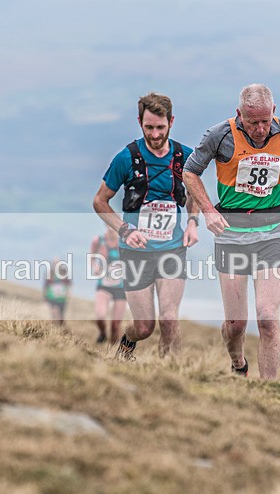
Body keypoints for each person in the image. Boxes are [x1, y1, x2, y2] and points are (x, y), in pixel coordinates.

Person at [182, 84, 280, 379]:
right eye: (252, 122)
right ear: (239, 114)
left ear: (274, 111)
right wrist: (207, 210)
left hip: (271, 233)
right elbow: (190, 172)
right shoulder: (219, 135)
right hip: (231, 234)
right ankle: (238, 364)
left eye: (265, 121)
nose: (259, 129)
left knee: (267, 318)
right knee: (236, 325)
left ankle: (268, 391)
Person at [92, 92, 199, 359]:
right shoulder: (126, 158)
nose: (155, 134)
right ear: (139, 122)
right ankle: (124, 349)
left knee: (169, 318)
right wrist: (124, 229)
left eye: (160, 127)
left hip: (172, 248)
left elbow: (195, 194)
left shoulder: (185, 157)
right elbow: (100, 201)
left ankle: (169, 373)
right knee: (144, 327)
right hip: (135, 252)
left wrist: (192, 223)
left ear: (171, 122)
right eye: (148, 127)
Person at [89, 225, 127, 344]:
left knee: (115, 325)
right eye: (108, 224)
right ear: (105, 225)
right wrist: (95, 266)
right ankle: (102, 333)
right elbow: (92, 256)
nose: (111, 228)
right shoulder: (99, 240)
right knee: (100, 316)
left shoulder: (125, 242)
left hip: (121, 287)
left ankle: (112, 350)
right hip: (104, 284)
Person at [43, 257, 72, 327]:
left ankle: (61, 328)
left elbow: (69, 284)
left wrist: (68, 293)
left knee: (61, 316)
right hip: (52, 297)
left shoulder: (64, 272)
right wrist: (45, 296)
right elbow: (46, 285)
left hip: (62, 298)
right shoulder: (50, 273)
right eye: (55, 263)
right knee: (54, 313)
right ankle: (55, 328)